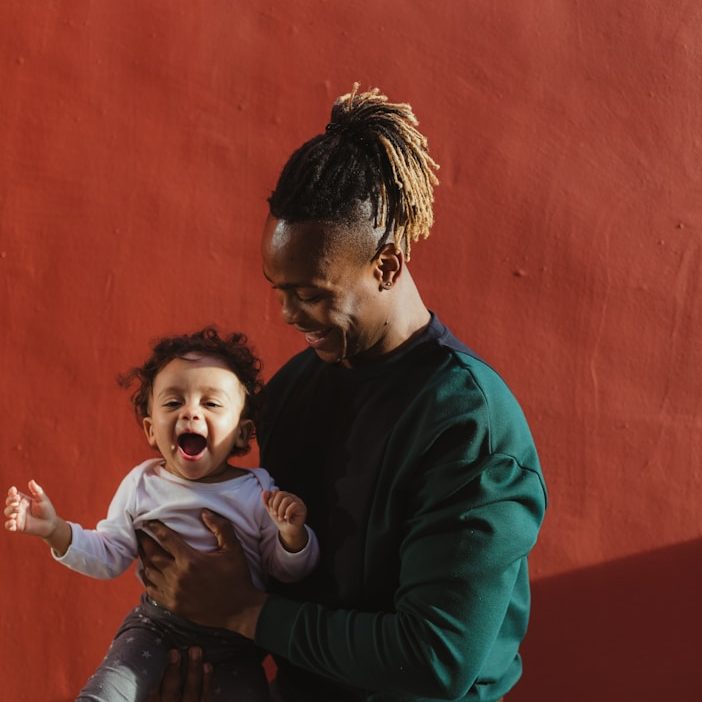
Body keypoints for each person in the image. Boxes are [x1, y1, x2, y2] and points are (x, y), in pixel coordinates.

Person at [138, 84, 548, 702]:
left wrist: (244, 612)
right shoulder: (289, 392)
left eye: (311, 294)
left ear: (386, 266)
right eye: (278, 290)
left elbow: (436, 659)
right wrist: (197, 647)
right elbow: (274, 574)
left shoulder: (468, 424)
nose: (287, 314)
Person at [3, 327, 320, 702]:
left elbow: (284, 570)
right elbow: (109, 555)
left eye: (211, 404)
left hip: (237, 638)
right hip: (156, 627)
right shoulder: (142, 484)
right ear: (151, 430)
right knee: (107, 691)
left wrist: (293, 537)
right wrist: (55, 531)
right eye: (173, 403)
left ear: (241, 432)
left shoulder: (257, 491)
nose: (190, 412)